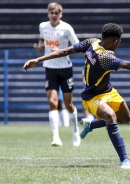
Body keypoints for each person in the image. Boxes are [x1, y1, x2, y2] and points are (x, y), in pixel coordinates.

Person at [23, 23, 130, 169]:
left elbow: (64, 51)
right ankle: (124, 160)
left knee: (126, 118)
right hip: (92, 96)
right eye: (119, 42)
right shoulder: (105, 57)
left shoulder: (92, 42)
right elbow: (128, 65)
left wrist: (37, 59)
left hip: (109, 92)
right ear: (115, 41)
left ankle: (90, 124)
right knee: (110, 117)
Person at [34, 2, 80, 147]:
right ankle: (56, 137)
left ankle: (75, 130)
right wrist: (40, 46)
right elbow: (41, 39)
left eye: (56, 13)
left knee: (68, 104)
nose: (54, 15)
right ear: (48, 14)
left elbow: (77, 46)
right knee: (53, 102)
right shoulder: (43, 26)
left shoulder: (67, 28)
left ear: (61, 14)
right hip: (49, 68)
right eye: (51, 13)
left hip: (65, 68)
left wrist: (61, 50)